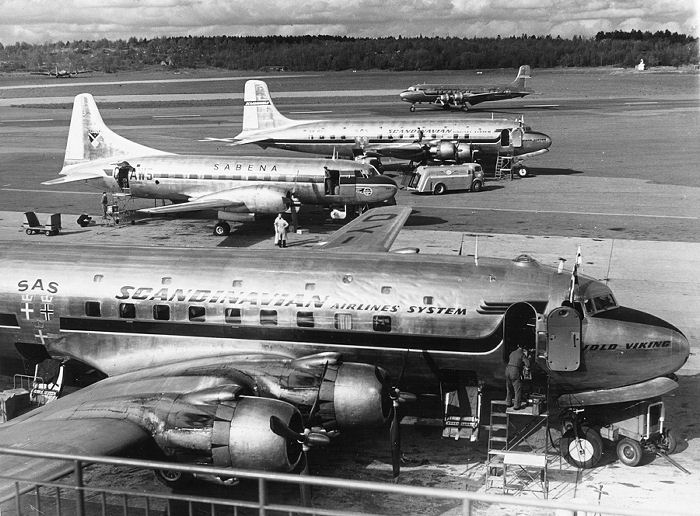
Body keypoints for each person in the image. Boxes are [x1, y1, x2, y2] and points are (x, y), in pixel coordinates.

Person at [505, 343, 530, 409]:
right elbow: (528, 364)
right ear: (524, 348)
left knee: (509, 387)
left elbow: (511, 360)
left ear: (518, 346)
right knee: (517, 389)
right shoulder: (522, 354)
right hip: (514, 371)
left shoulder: (512, 353)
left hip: (507, 370)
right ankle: (516, 406)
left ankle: (508, 403)